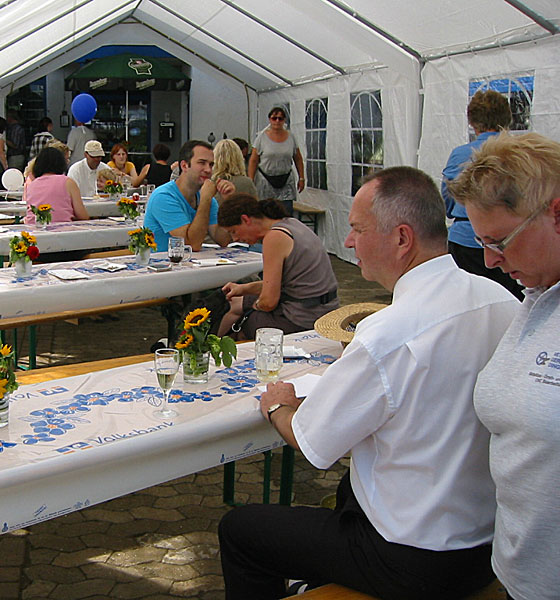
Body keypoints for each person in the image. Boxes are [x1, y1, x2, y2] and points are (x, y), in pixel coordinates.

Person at [219, 166, 519, 600]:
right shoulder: (502, 301)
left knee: (240, 530)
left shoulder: (387, 332)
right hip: (488, 545)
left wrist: (278, 405)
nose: (347, 241)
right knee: (349, 490)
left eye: (358, 229)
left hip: (411, 558)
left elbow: (313, 444)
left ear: (402, 238)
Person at [448, 132, 560, 600]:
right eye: (481, 242)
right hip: (519, 571)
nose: (490, 261)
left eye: (500, 241)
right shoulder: (537, 295)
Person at [216, 194, 337, 338]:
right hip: (323, 309)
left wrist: (254, 305)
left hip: (304, 318)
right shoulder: (291, 224)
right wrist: (243, 289)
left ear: (245, 219)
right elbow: (282, 284)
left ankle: (220, 347)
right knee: (236, 303)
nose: (235, 238)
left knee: (239, 322)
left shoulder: (274, 237)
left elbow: (268, 302)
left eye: (233, 231)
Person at [442, 90, 523, 300]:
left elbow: (448, 198)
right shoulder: (520, 153)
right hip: (509, 241)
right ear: (507, 119)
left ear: (472, 122)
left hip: (464, 240)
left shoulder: (460, 154)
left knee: (466, 301)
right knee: (510, 301)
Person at [143, 139, 234, 252]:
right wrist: (205, 199)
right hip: (159, 261)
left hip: (190, 262)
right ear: (184, 166)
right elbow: (192, 245)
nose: (208, 170)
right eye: (202, 163)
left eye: (211, 165)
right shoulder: (163, 197)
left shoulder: (205, 197)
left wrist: (229, 202)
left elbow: (223, 240)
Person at [248, 106, 305, 214]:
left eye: (280, 118)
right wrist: (250, 180)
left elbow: (298, 158)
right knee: (265, 213)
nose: (277, 121)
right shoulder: (261, 138)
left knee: (286, 213)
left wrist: (301, 178)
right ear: (270, 119)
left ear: (284, 120)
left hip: (286, 180)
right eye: (274, 118)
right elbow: (253, 160)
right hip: (265, 180)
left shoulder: (291, 137)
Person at [24, 146, 88, 226]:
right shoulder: (68, 182)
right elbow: (82, 216)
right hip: (63, 230)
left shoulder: (32, 185)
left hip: (34, 229)